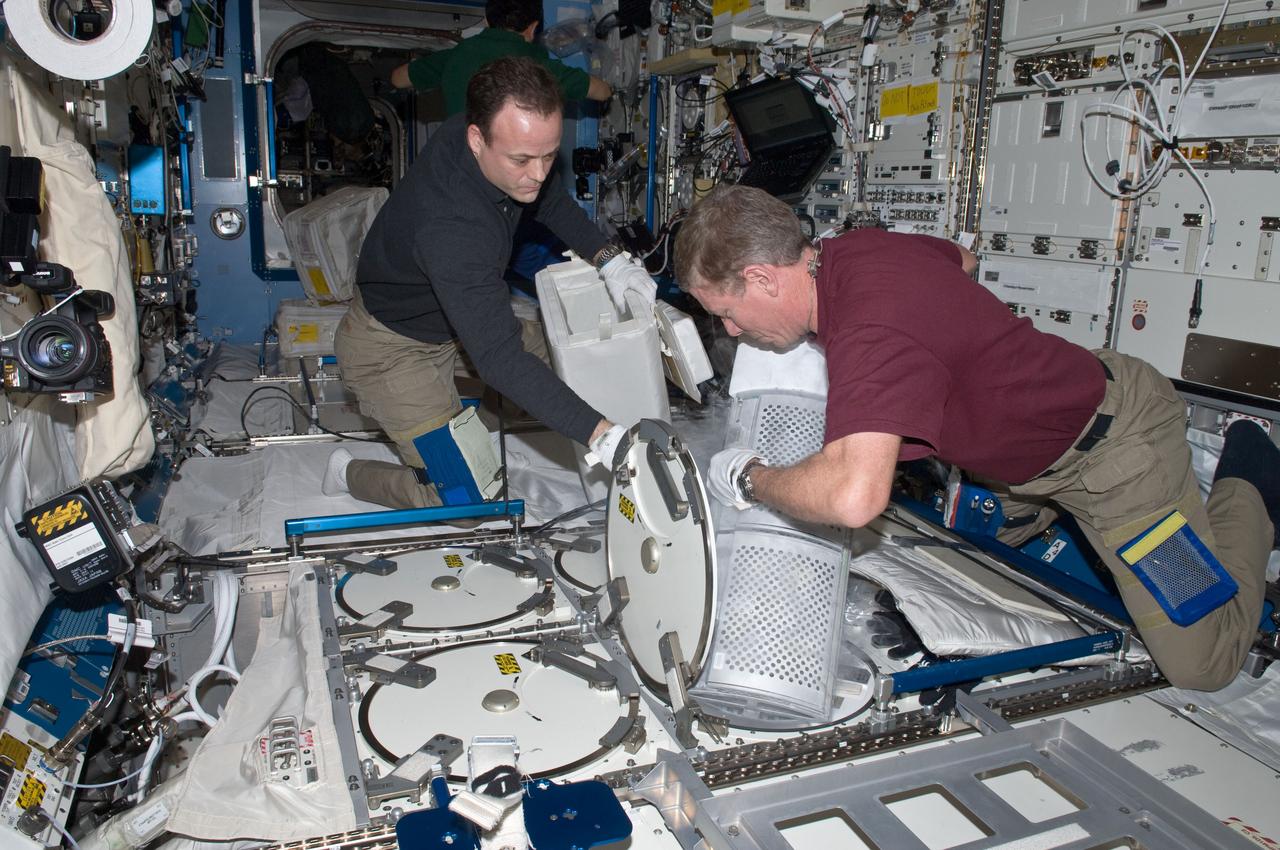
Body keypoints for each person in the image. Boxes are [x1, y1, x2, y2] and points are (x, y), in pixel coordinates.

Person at [675, 183, 1280, 692]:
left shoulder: (867, 331)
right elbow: (957, 261)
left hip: (1116, 454)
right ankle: (1031, 508)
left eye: (727, 313)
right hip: (1024, 454)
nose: (732, 331)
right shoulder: (849, 252)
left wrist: (752, 479)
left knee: (1202, 663)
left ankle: (1251, 474)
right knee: (966, 556)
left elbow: (853, 497)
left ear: (761, 276)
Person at [325, 56, 649, 509]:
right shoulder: (453, 226)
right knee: (465, 502)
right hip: (392, 350)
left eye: (549, 154)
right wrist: (602, 436)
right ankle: (348, 473)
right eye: (522, 159)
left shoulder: (490, 131)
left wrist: (610, 259)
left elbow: (551, 201)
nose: (538, 173)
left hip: (454, 323)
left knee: (585, 365)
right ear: (476, 139)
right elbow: (498, 358)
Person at [390, 0, 612, 116]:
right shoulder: (536, 66)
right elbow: (602, 92)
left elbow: (398, 79)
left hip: (460, 172)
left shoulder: (457, 55)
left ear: (487, 20)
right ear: (533, 28)